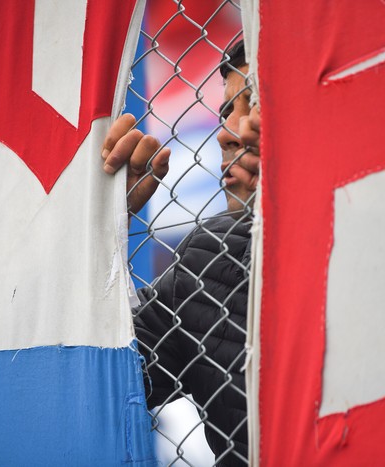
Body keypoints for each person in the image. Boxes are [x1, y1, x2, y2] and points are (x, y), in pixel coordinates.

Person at [101, 40, 260, 466]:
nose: (229, 132)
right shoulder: (210, 261)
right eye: (228, 111)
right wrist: (100, 226)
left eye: (258, 101)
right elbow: (100, 381)